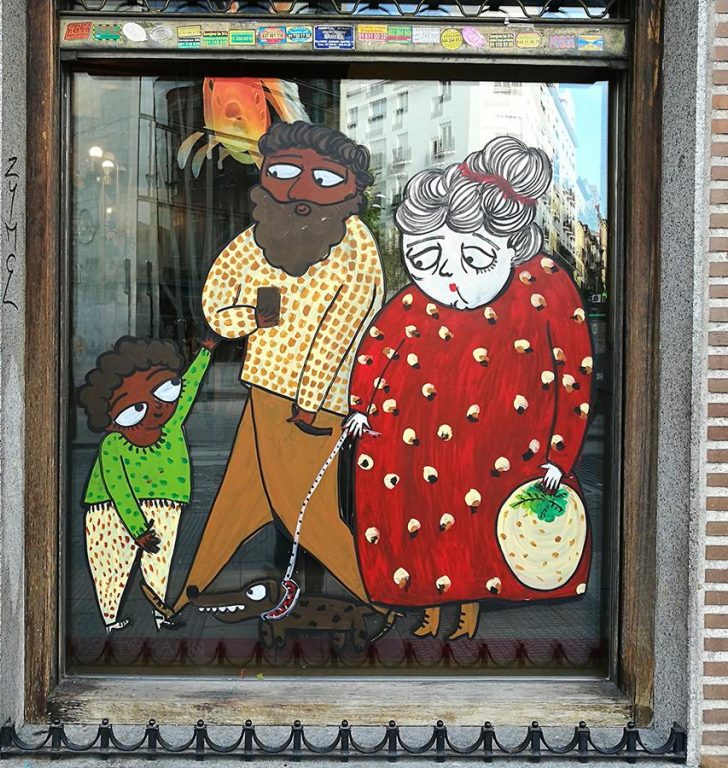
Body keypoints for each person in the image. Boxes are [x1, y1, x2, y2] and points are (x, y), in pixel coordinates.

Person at [345, 136, 594, 640]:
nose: (448, 277)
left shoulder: (545, 289)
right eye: (424, 258)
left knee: (479, 533)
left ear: (511, 249)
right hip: (410, 447)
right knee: (419, 523)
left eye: (475, 259)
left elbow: (574, 375)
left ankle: (467, 614)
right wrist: (359, 409)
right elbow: (377, 347)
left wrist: (559, 455)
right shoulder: (413, 302)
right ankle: (427, 608)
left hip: (500, 449)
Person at [174, 122, 385, 612]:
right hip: (263, 387)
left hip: (312, 405)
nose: (301, 189)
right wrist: (250, 318)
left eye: (324, 178)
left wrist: (309, 404)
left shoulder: (355, 243)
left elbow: (344, 329)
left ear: (352, 189)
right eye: (286, 173)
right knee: (238, 499)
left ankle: (380, 600)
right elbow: (215, 303)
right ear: (266, 174)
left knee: (304, 511)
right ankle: (186, 596)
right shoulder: (257, 238)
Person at [79, 336, 215, 632]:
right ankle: (110, 619)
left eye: (164, 391)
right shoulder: (113, 444)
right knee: (111, 566)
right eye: (134, 408)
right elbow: (119, 490)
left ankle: (160, 614)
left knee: (160, 564)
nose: (156, 408)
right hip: (109, 513)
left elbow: (190, 387)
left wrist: (205, 351)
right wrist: (138, 530)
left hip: (166, 503)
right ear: (111, 418)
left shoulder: (171, 423)